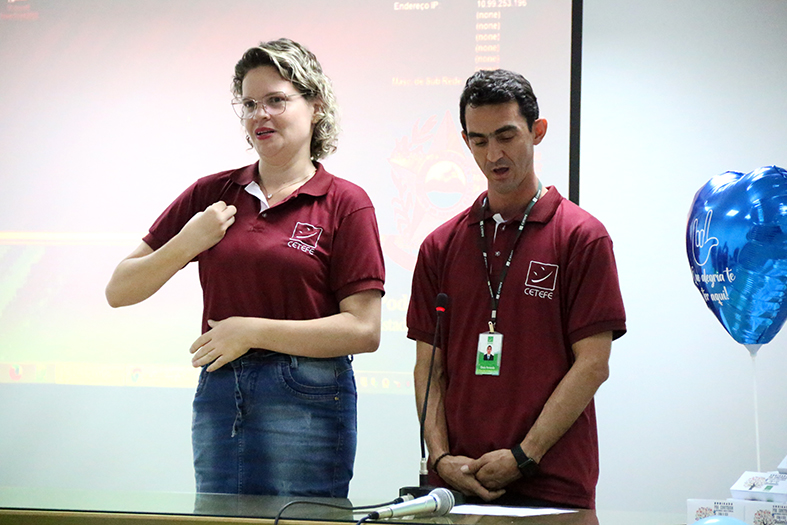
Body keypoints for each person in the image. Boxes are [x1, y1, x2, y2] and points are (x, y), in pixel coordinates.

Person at [105, 38, 385, 497]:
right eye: (250, 103)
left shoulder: (345, 203)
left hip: (309, 394)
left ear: (315, 107)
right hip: (221, 393)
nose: (260, 115)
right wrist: (188, 242)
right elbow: (119, 290)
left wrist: (251, 332)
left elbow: (364, 330)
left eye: (276, 100)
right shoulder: (213, 193)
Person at [406, 69, 626, 509]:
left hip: (553, 486)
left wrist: (525, 456)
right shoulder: (440, 246)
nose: (494, 154)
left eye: (506, 135)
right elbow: (429, 369)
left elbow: (593, 365)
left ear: (537, 131)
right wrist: (441, 457)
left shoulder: (582, 237)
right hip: (458, 485)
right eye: (480, 140)